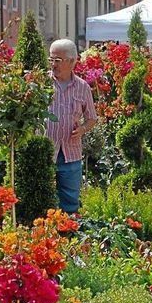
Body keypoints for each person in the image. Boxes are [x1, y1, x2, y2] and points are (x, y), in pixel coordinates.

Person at [46, 39, 97, 213]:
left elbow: (92, 118)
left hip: (70, 153)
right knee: (43, 200)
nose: (53, 64)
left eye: (58, 60)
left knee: (70, 202)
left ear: (72, 61)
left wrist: (82, 129)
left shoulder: (82, 88)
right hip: (46, 151)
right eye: (51, 59)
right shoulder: (41, 83)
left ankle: (68, 235)